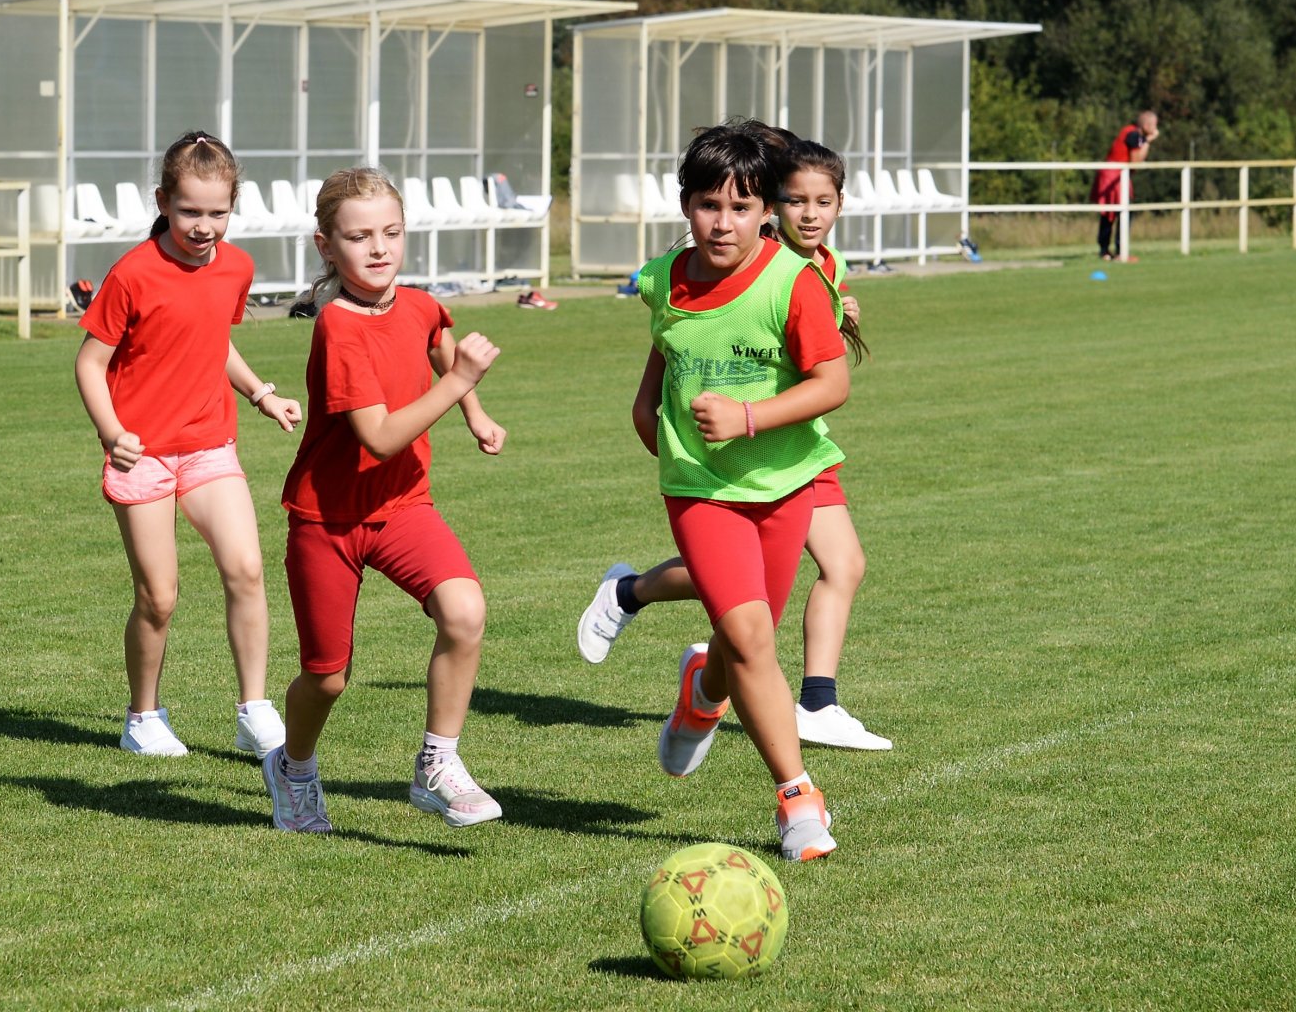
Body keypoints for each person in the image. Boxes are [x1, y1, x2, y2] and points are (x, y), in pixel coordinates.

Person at [578, 138, 890, 751]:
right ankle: (807, 703)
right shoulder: (736, 261)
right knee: (755, 597)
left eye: (822, 202)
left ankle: (761, 691)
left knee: (808, 581)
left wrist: (838, 317)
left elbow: (817, 365)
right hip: (741, 447)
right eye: (796, 200)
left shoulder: (823, 268)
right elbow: (681, 332)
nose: (809, 214)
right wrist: (653, 407)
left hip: (795, 446)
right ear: (775, 206)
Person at [623, 124, 849, 861]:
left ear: (766, 212)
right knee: (751, 638)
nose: (723, 223)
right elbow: (667, 347)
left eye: (742, 207)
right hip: (699, 490)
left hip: (784, 486)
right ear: (684, 205)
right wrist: (650, 411)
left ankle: (702, 690)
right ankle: (798, 800)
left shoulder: (794, 282)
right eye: (708, 205)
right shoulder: (663, 278)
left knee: (745, 640)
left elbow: (832, 384)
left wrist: (749, 418)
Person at [263, 167, 506, 833]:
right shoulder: (337, 329)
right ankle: (293, 768)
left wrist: (475, 412)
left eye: (391, 233)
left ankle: (437, 764)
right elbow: (379, 437)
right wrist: (460, 384)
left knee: (465, 612)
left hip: (403, 507)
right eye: (359, 237)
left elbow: (439, 343)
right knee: (327, 677)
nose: (379, 248)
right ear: (326, 246)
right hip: (327, 520)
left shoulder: (421, 304)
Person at [74, 131, 302, 760]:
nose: (204, 227)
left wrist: (260, 394)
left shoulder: (236, 267)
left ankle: (254, 711)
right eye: (190, 211)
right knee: (160, 596)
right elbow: (90, 363)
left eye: (217, 212)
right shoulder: (132, 273)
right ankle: (143, 717)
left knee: (247, 568)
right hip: (143, 454)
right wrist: (112, 433)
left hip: (208, 445)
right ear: (163, 202)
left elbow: (213, 339)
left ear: (233, 206)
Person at [1093, 111, 1158, 260]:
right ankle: (1118, 251)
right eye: (1154, 125)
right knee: (1119, 213)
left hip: (1116, 174)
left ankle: (1106, 251)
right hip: (1114, 175)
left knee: (1112, 213)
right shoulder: (1133, 135)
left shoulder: (1133, 133)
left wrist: (1146, 141)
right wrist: (1148, 141)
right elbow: (1135, 162)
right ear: (1146, 125)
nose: (1156, 129)